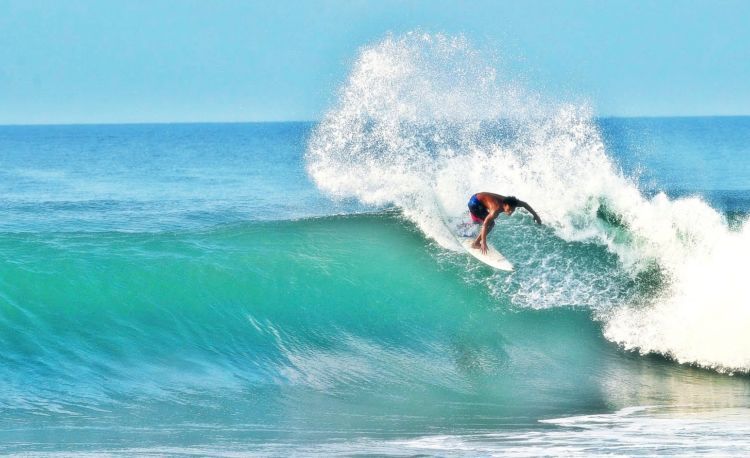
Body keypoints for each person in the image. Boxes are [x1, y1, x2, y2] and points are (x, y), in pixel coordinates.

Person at [468, 192, 541, 254]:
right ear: (505, 205)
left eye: (513, 210)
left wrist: (536, 215)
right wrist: (483, 241)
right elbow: (485, 225)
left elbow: (525, 204)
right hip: (474, 203)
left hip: (479, 198)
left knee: (479, 220)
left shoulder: (512, 202)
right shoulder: (495, 210)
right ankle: (476, 243)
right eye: (509, 209)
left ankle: (466, 225)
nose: (511, 212)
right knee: (491, 224)